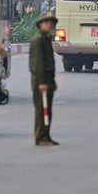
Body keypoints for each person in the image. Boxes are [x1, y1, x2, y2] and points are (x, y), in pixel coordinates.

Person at [30, 11, 59, 146]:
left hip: (47, 78)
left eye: (51, 22)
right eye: (46, 22)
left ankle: (46, 135)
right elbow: (38, 63)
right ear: (41, 24)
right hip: (40, 79)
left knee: (48, 109)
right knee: (41, 109)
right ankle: (40, 137)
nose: (49, 24)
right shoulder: (38, 40)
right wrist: (41, 82)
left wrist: (52, 81)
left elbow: (50, 62)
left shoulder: (46, 38)